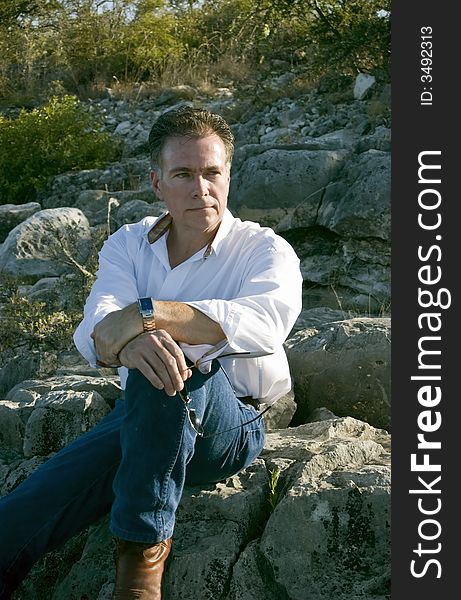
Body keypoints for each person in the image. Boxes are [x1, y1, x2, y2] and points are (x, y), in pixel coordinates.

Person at [0, 107, 302, 599]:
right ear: (157, 183)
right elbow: (97, 331)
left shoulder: (264, 250)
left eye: (212, 173)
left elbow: (265, 323)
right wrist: (135, 336)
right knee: (29, 507)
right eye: (183, 174)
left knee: (166, 359)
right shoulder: (129, 244)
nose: (200, 188)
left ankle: (139, 568)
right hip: (141, 415)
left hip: (232, 422)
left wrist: (150, 314)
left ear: (229, 177)